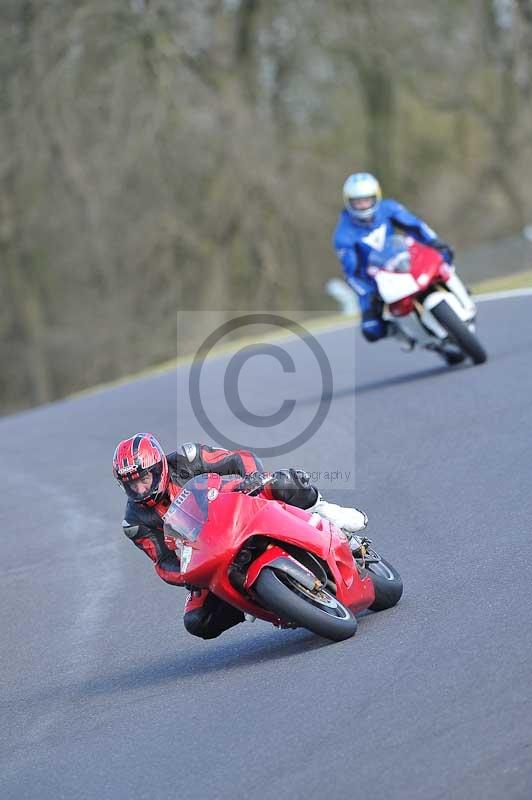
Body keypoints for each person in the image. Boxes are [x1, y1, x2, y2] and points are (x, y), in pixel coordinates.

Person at [113, 433, 368, 640]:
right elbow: (162, 562)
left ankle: (322, 512)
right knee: (197, 621)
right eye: (131, 485)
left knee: (284, 482)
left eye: (144, 478)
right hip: (206, 551)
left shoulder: (187, 458)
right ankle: (253, 603)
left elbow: (238, 459)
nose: (140, 489)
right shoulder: (135, 522)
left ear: (159, 467)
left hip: (238, 506)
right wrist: (185, 575)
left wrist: (253, 479)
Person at [332, 172, 455, 344]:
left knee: (444, 258)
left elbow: (416, 226)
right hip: (374, 279)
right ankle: (401, 333)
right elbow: (352, 274)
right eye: (357, 202)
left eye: (367, 200)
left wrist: (435, 242)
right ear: (348, 202)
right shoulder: (343, 235)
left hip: (402, 259)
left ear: (377, 197)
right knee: (371, 330)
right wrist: (369, 293)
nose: (362, 205)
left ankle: (457, 293)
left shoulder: (389, 208)